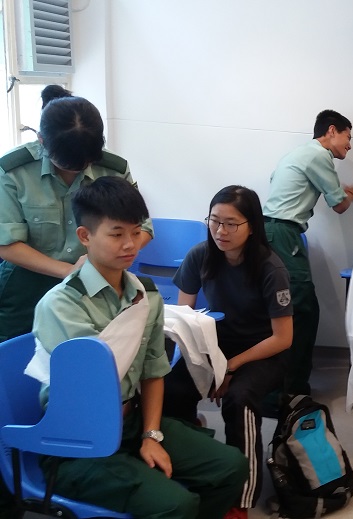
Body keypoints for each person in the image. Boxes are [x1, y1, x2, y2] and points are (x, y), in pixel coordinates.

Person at [29, 176, 248, 518]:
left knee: (231, 466)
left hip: (131, 423)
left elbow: (152, 370)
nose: (130, 244)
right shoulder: (61, 306)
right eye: (116, 234)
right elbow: (92, 387)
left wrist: (151, 434)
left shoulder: (144, 295)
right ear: (85, 236)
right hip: (77, 441)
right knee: (177, 504)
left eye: (135, 232)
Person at [164, 185, 293, 516]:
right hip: (215, 343)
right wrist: (206, 364)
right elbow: (184, 319)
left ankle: (241, 497)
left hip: (263, 351)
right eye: (214, 220)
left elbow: (283, 339)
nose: (221, 231)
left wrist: (230, 367)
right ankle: (190, 450)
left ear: (252, 226)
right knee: (170, 384)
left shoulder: (271, 268)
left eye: (231, 223)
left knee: (240, 399)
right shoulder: (200, 255)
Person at [0, 95, 153, 343]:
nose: (76, 170)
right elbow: (6, 243)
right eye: (66, 163)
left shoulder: (114, 168)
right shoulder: (13, 170)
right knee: (17, 356)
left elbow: (142, 227)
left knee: (94, 353)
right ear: (41, 140)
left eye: (86, 163)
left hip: (95, 283)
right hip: (26, 284)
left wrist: (104, 257)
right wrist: (70, 271)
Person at [262, 109, 353, 397]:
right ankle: (292, 390)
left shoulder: (298, 154)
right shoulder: (319, 156)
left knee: (282, 309)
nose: (349, 145)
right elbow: (340, 205)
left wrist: (344, 192)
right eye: (348, 137)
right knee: (302, 310)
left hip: (270, 232)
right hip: (283, 234)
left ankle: (278, 386)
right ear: (331, 130)